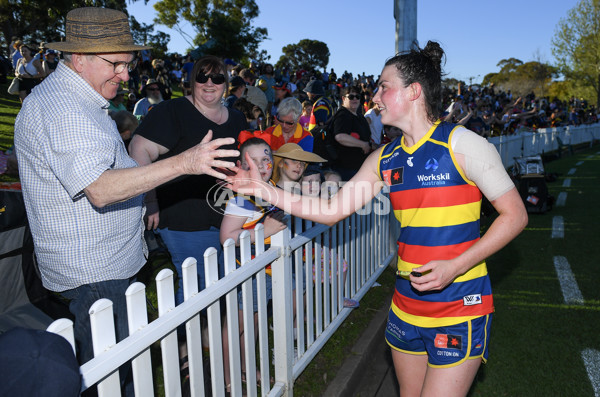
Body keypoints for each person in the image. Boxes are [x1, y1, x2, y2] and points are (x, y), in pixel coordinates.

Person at [226, 41, 528, 397]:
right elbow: (330, 211)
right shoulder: (385, 157)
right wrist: (265, 192)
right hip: (405, 303)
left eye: (384, 86)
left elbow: (515, 216)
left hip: (459, 303)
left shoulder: (463, 144)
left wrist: (456, 266)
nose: (376, 95)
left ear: (414, 91)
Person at [14, 8, 238, 394]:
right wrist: (185, 162)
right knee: (115, 379)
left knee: (119, 367)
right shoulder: (65, 109)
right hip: (93, 274)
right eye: (116, 64)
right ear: (79, 58)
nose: (126, 73)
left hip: (104, 265)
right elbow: (100, 188)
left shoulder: (83, 100)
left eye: (127, 63)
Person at [129, 55, 247, 306]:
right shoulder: (172, 111)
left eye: (217, 78)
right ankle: (184, 342)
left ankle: (206, 334)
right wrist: (150, 200)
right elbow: (139, 149)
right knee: (196, 281)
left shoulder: (237, 119)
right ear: (192, 81)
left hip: (226, 213)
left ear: (225, 83)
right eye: (202, 76)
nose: (209, 83)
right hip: (183, 214)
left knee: (221, 279)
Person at [219, 138, 286, 392]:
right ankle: (227, 375)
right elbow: (226, 237)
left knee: (255, 323)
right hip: (244, 272)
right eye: (253, 161)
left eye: (265, 159)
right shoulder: (243, 198)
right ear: (241, 166)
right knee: (235, 328)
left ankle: (247, 367)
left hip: (263, 270)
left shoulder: (269, 189)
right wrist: (263, 231)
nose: (261, 165)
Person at [329, 85, 373, 180]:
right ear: (344, 98)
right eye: (351, 97)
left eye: (357, 97)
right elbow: (340, 137)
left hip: (360, 168)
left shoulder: (360, 116)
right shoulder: (342, 115)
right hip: (345, 169)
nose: (355, 99)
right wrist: (363, 144)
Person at [238, 97, 314, 152]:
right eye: (281, 121)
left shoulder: (306, 136)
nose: (284, 125)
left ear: (299, 118)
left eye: (289, 123)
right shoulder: (269, 132)